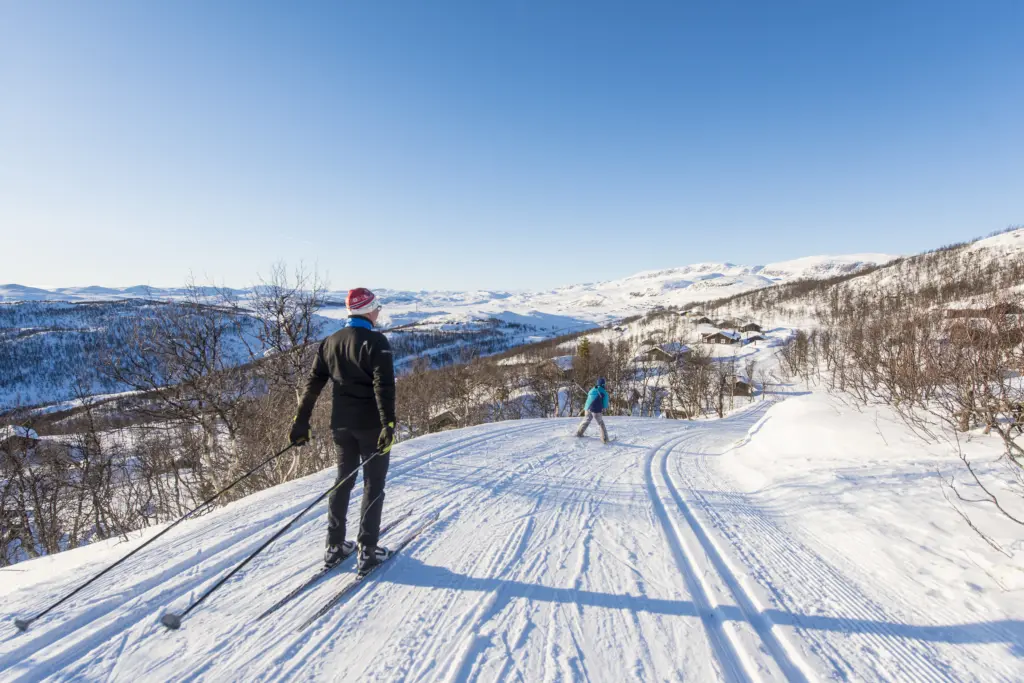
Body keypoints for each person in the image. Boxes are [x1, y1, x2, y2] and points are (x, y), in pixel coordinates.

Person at [289, 287, 397, 573]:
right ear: (367, 309)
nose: (378, 312)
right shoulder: (377, 342)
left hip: (340, 425)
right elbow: (384, 386)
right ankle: (368, 551)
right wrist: (388, 423)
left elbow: (313, 384)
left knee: (342, 481)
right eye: (377, 306)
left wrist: (301, 421)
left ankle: (334, 546)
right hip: (372, 426)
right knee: (373, 484)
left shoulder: (330, 342)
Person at [576, 377, 610, 443]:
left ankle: (579, 433)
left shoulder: (592, 390)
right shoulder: (604, 392)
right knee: (600, 423)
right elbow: (605, 404)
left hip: (587, 408)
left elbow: (589, 399)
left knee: (586, 421)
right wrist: (603, 408)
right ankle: (605, 439)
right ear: (603, 384)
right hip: (596, 410)